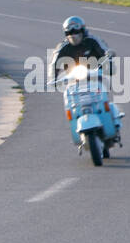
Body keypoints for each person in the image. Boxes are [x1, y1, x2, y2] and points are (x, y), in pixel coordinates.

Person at [51, 15, 121, 156]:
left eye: (76, 31)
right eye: (69, 33)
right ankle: (78, 129)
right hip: (74, 82)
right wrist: (53, 79)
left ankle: (111, 124)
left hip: (95, 78)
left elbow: (105, 51)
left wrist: (109, 59)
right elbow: (54, 64)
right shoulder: (62, 47)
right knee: (71, 106)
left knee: (102, 101)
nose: (73, 35)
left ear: (83, 30)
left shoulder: (92, 41)